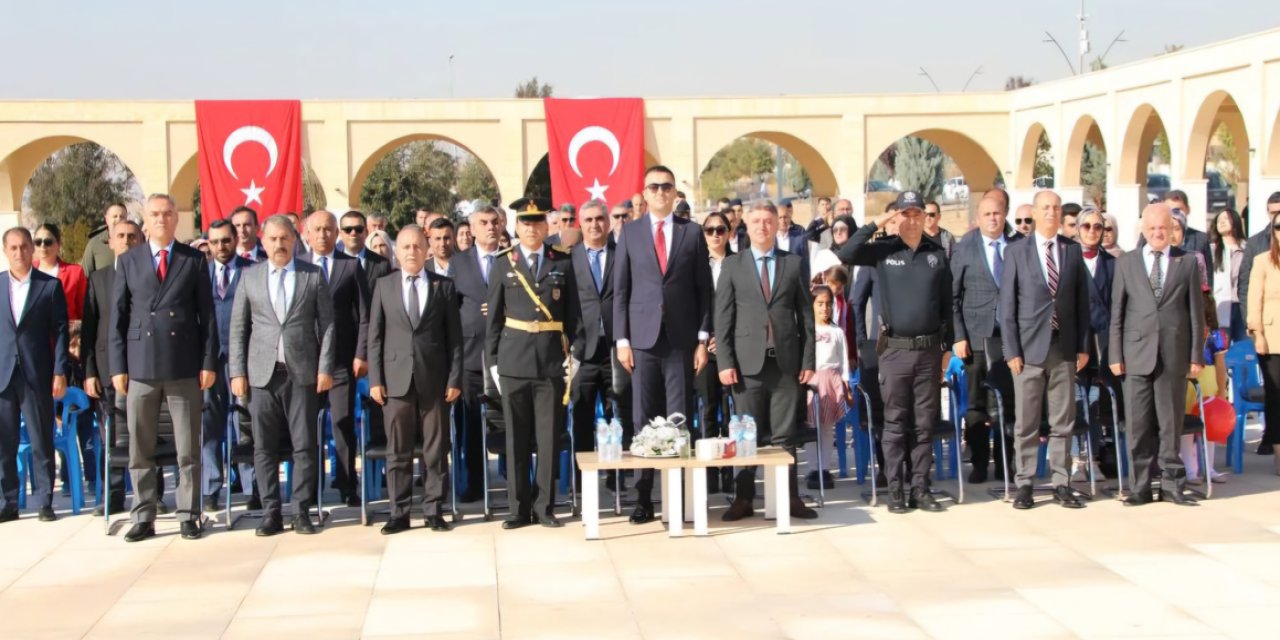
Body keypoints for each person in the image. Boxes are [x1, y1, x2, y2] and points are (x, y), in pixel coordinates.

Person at [110, 193, 218, 542]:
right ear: (146, 218)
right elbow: (118, 319)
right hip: (140, 365)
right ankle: (144, 514)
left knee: (188, 448)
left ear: (176, 218)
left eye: (167, 213)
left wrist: (208, 362)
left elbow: (208, 317)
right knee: (141, 449)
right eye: (155, 214)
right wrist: (117, 366)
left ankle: (189, 513)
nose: (161, 219)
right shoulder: (130, 260)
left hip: (183, 364)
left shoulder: (193, 260)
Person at [838, 191, 952, 514]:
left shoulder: (936, 253)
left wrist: (947, 348)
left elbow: (947, 304)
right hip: (895, 351)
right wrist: (878, 221)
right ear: (897, 217)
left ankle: (920, 487)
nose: (912, 220)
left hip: (929, 351)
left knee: (925, 423)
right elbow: (847, 251)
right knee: (895, 422)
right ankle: (895, 489)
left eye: (918, 214)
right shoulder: (884, 251)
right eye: (906, 214)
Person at [613, 166, 712, 524]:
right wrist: (622, 340)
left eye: (666, 187)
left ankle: (678, 497)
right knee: (642, 420)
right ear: (644, 193)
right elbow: (620, 290)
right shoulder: (631, 232)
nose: (660, 192)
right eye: (654, 187)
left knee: (678, 419)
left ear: (674, 193)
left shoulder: (692, 233)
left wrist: (702, 340)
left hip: (681, 341)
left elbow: (705, 291)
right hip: (641, 341)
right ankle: (643, 497)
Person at [229, 215, 334, 535]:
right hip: (262, 376)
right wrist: (237, 371)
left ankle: (301, 510)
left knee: (305, 445)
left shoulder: (312, 276)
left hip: (301, 374)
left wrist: (325, 367)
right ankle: (271, 512)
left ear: (294, 239)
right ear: (263, 242)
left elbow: (328, 326)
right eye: (273, 239)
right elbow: (238, 328)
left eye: (284, 238)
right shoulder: (250, 277)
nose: (279, 244)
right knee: (264, 448)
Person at [716, 200, 817, 521]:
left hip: (786, 363)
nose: (762, 226)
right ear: (745, 224)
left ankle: (790, 497)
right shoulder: (734, 265)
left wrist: (808, 360)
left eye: (768, 221)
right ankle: (744, 498)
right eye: (756, 220)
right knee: (746, 435)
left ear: (777, 225)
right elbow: (723, 317)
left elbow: (806, 317)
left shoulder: (793, 263)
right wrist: (725, 362)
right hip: (746, 366)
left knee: (785, 436)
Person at [486, 197, 579, 529]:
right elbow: (493, 322)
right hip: (513, 362)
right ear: (517, 227)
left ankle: (544, 507)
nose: (531, 228)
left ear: (546, 227)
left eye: (537, 222)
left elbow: (574, 317)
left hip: (551, 362)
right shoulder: (502, 264)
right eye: (525, 223)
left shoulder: (562, 262)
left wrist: (576, 356)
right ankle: (518, 507)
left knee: (548, 438)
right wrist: (494, 365)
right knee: (517, 438)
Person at [368, 225, 463, 533]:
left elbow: (455, 340)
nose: (411, 252)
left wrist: (454, 378)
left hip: (434, 381)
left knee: (436, 450)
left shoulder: (443, 287)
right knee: (398, 452)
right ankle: (399, 512)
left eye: (417, 246)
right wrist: (375, 380)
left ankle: (434, 510)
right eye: (406, 247)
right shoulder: (384, 286)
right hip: (395, 382)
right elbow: (375, 337)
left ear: (427, 250)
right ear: (397, 252)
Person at [1000, 190, 1091, 510]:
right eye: (1045, 208)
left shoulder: (1072, 251)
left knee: (1063, 421)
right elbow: (1007, 306)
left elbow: (1082, 303)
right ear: (1035, 214)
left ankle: (1061, 482)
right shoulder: (1016, 252)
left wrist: (1082, 346)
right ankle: (1025, 483)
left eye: (1056, 208)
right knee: (1026, 422)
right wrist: (1011, 350)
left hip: (1063, 348)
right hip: (1028, 350)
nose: (1052, 213)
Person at [1109, 203, 1204, 506]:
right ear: (1143, 230)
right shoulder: (1127, 262)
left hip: (1173, 355)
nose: (1157, 233)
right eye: (1151, 229)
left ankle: (1173, 485)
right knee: (1138, 426)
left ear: (1172, 228)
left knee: (1170, 424)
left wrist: (1195, 355)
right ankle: (1140, 487)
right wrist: (1114, 354)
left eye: (1162, 227)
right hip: (1135, 354)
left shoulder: (1187, 263)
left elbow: (1196, 316)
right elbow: (1117, 314)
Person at [0, 227, 70, 523]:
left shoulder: (49, 286)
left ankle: (44, 501)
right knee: (5, 443)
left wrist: (60, 371)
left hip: (37, 374)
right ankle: (8, 503)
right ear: (6, 251)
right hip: (3, 376)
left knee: (42, 440)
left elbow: (61, 331)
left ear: (32, 249)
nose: (19, 253)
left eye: (24, 247)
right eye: (13, 248)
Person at [301, 210, 370, 507]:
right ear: (306, 233)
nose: (322, 235)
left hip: (342, 360)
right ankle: (311, 486)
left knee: (342, 424)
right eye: (317, 229)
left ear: (336, 233)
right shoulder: (298, 266)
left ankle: (346, 484)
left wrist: (360, 353)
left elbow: (365, 316)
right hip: (305, 361)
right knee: (307, 427)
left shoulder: (351, 266)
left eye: (328, 229)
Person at [951, 194, 1017, 484]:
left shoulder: (1017, 248)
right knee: (977, 406)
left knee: (1009, 404)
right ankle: (979, 463)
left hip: (1010, 339)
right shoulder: (965, 249)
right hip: (976, 338)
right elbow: (952, 297)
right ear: (978, 218)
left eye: (997, 213)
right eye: (987, 214)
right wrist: (959, 336)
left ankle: (1006, 463)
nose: (993, 218)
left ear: (1005, 215)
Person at [567, 200, 629, 488]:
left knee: (619, 415)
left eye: (599, 219)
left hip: (617, 348)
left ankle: (617, 477)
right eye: (588, 219)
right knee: (581, 415)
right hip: (582, 350)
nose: (594, 225)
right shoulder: (569, 258)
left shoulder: (623, 254)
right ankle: (583, 479)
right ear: (581, 223)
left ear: (608, 221)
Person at [82, 219, 142, 515]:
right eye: (121, 236)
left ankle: (150, 494)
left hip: (145, 368)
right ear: (111, 242)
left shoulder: (150, 276)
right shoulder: (98, 279)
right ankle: (113, 496)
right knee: (112, 437)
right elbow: (89, 330)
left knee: (148, 432)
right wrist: (90, 371)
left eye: (132, 236)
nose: (127, 241)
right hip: (108, 370)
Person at [448, 205, 506, 503]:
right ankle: (474, 481)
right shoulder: (459, 263)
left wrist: (501, 309)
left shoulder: (512, 259)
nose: (490, 227)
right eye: (483, 222)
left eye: (495, 222)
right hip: (471, 355)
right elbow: (449, 307)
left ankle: (516, 478)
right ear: (472, 228)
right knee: (471, 425)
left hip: (507, 353)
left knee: (509, 419)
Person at [199, 220, 255, 511]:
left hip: (244, 360)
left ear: (236, 240)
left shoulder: (251, 270)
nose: (221, 246)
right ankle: (210, 487)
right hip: (210, 361)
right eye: (215, 241)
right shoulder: (200, 273)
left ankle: (250, 487)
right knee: (210, 426)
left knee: (245, 424)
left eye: (226, 240)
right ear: (208, 243)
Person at [693, 211, 734, 493]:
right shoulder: (695, 265)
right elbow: (692, 305)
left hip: (732, 347)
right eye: (710, 230)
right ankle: (708, 475)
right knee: (707, 410)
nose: (716, 235)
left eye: (721, 229)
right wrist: (703, 339)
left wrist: (727, 338)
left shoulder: (739, 263)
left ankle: (731, 472)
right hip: (703, 347)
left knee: (732, 413)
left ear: (729, 233)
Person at [1076, 208, 1117, 481]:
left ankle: (1095, 457)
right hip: (1076, 342)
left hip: (1104, 342)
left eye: (1098, 227)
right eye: (1087, 226)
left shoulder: (1114, 264)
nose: (1092, 231)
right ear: (1078, 229)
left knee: (1098, 403)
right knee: (1076, 402)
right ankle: (1077, 459)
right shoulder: (1067, 261)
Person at [1246, 212, 1280, 475]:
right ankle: (1279, 449)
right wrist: (1257, 334)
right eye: (1278, 227)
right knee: (1276, 396)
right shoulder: (1262, 261)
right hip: (1271, 338)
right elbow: (1254, 299)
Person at [808, 285, 851, 491]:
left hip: (831, 381)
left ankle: (824, 468)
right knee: (811, 426)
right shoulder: (807, 330)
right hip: (812, 381)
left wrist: (846, 382)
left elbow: (843, 360)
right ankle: (812, 468)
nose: (825, 308)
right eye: (820, 304)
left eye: (828, 304)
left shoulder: (837, 332)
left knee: (826, 428)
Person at [33, 223, 88, 322]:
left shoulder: (75, 272)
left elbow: (83, 310)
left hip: (66, 334)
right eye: (38, 242)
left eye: (48, 242)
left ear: (59, 244)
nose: (42, 246)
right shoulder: (26, 271)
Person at [1209, 208, 1246, 342]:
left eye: (1226, 219)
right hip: (1221, 306)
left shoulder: (1246, 249)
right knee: (1222, 349)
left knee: (1243, 352)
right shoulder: (1212, 250)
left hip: (1242, 307)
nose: (1222, 222)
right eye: (1219, 220)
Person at [81, 202, 130, 274]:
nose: (119, 220)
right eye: (115, 216)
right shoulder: (95, 244)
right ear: (106, 219)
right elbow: (85, 276)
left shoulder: (135, 242)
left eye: (122, 216)